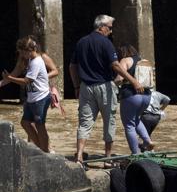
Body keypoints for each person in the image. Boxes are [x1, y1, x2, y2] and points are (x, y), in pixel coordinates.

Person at [69, 14, 143, 165]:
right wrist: (133, 80)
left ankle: (79, 157)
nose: (110, 31)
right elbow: (115, 65)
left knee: (84, 122)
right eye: (109, 28)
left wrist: (76, 86)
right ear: (101, 27)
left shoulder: (81, 42)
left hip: (86, 87)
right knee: (109, 121)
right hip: (104, 86)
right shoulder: (106, 43)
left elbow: (72, 66)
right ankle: (108, 158)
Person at [2, 37, 52, 152]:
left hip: (40, 98)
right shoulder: (30, 60)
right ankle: (41, 148)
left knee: (40, 125)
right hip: (32, 98)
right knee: (25, 122)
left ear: (27, 50)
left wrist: (10, 78)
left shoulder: (36, 62)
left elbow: (26, 81)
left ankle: (44, 151)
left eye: (21, 52)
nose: (21, 56)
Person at [115, 44, 154, 154]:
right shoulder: (144, 60)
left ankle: (135, 152)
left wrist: (114, 83)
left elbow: (119, 78)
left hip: (131, 95)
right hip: (146, 96)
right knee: (136, 119)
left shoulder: (125, 60)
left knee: (129, 125)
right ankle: (147, 140)